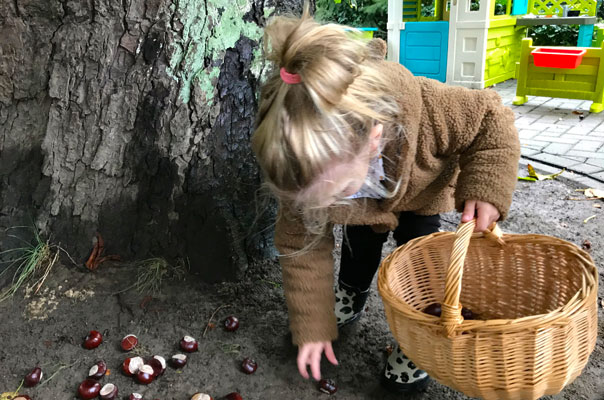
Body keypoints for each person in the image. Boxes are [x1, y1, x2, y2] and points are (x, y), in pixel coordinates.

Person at [251, 5, 520, 393]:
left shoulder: (435, 108)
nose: (320, 206)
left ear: (375, 137)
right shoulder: (304, 169)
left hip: (421, 196)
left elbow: (492, 119)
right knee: (359, 249)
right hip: (365, 210)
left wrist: (486, 186)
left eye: (336, 191)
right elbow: (300, 245)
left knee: (422, 266)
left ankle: (418, 340)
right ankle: (350, 294)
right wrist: (312, 323)